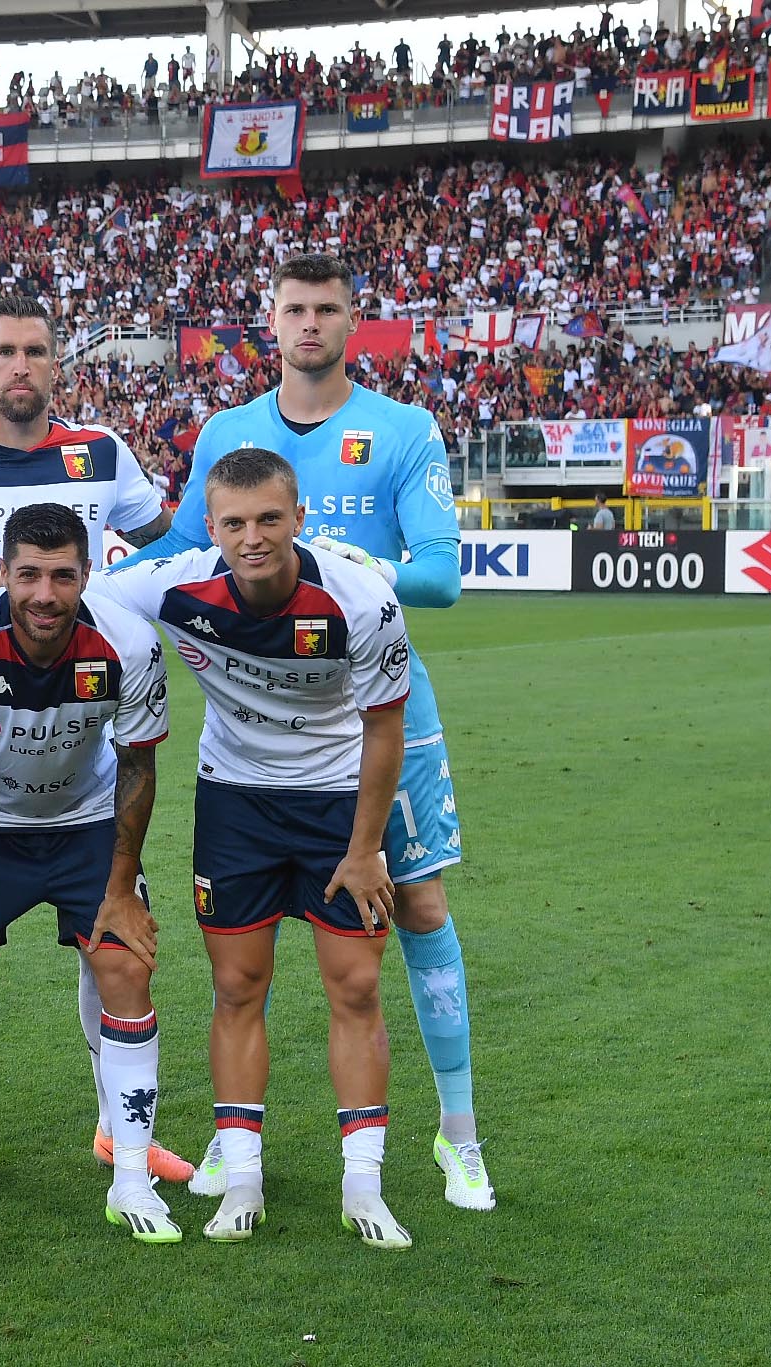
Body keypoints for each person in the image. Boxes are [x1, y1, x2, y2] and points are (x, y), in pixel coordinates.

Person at [125, 252, 495, 1213]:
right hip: (258, 724)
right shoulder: (226, 431)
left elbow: (441, 575)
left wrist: (341, 564)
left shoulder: (403, 428)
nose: (309, 324)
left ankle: (457, 1134)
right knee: (239, 960)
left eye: (327, 308)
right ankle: (232, 1135)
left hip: (381, 712)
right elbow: (182, 551)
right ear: (272, 317)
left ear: (351, 320)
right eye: (293, 308)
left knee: (417, 908)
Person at [0, 296, 190, 1187]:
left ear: (58, 366)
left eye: (36, 351)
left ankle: (118, 1130)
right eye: (5, 352)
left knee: (113, 953)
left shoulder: (101, 451)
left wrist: (89, 597)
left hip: (77, 715)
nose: (20, 365)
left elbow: (166, 540)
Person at [96, 446, 416, 1249]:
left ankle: (363, 1185)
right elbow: (69, 593)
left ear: (298, 517)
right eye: (234, 523)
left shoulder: (359, 598)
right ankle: (241, 1178)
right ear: (209, 527)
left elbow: (385, 730)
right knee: (237, 985)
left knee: (355, 987)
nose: (252, 537)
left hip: (338, 803)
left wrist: (364, 849)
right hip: (235, 804)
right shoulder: (174, 585)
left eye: (269, 518)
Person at [0, 504, 173, 1247]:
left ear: (87, 574)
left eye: (62, 576)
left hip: (84, 823)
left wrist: (120, 891)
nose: (44, 594)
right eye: (28, 575)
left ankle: (130, 1177)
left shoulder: (127, 643)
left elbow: (138, 765)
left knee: (125, 965)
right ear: (3, 573)